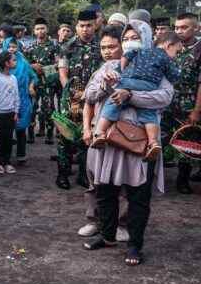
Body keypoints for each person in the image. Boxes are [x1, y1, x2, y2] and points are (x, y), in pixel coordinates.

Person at [82, 25, 174, 267]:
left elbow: (165, 97)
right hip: (110, 140)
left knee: (138, 197)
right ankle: (108, 235)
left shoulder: (157, 66)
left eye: (136, 38)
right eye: (126, 38)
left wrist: (129, 95)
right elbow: (90, 96)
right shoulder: (110, 66)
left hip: (141, 142)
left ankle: (135, 245)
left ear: (147, 39)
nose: (131, 42)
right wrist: (106, 84)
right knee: (106, 192)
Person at [91, 31, 182, 160]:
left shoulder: (141, 51)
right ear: (168, 45)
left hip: (129, 80)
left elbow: (127, 56)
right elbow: (175, 76)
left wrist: (124, 71)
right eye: (177, 52)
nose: (176, 56)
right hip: (149, 86)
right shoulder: (166, 59)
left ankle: (100, 133)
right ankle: (153, 142)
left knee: (113, 102)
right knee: (149, 112)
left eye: (134, 37)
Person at [77, 24, 129, 240]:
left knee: (122, 181)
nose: (107, 51)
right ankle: (95, 221)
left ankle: (120, 224)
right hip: (98, 135)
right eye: (103, 47)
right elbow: (88, 102)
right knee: (94, 179)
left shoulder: (133, 71)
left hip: (124, 134)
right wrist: (86, 128)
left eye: (112, 47)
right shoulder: (99, 72)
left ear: (123, 46)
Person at [56, 9, 103, 190]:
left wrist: (87, 95)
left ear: (95, 26)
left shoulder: (100, 47)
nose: (85, 29)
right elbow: (62, 72)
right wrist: (70, 92)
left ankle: (84, 174)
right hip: (70, 99)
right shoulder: (66, 46)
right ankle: (62, 174)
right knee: (65, 136)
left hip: (92, 100)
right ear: (77, 27)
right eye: (82, 26)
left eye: (89, 25)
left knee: (87, 136)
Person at [167, 13, 201, 193]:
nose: (179, 31)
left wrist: (197, 110)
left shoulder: (199, 48)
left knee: (187, 141)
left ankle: (183, 179)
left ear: (196, 28)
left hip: (188, 104)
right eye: (177, 27)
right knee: (159, 137)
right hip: (165, 102)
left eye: (184, 27)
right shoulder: (171, 46)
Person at [3, 37, 38, 164]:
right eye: (9, 47)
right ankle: (5, 157)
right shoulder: (0, 62)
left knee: (21, 128)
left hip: (22, 98)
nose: (12, 49)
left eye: (14, 46)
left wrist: (31, 86)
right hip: (6, 99)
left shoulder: (23, 61)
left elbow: (33, 76)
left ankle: (21, 155)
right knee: (6, 129)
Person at [26, 17, 61, 145]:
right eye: (38, 29)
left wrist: (46, 69)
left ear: (47, 29)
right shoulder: (30, 47)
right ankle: (30, 135)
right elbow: (24, 63)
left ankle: (49, 135)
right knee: (32, 108)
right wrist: (32, 66)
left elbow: (59, 64)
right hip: (33, 83)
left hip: (48, 83)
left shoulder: (54, 46)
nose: (40, 31)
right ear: (34, 31)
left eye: (42, 28)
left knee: (49, 109)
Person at [0, 52, 20, 174]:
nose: (16, 62)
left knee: (9, 138)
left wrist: (16, 111)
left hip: (10, 113)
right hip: (0, 113)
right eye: (13, 60)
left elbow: (16, 96)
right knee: (0, 138)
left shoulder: (13, 78)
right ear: (6, 63)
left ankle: (7, 162)